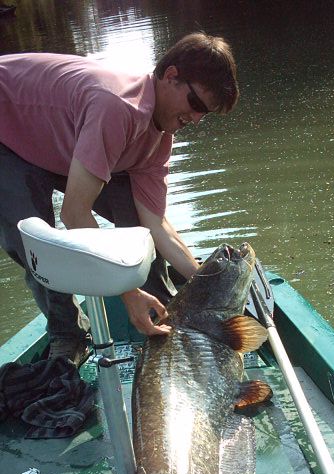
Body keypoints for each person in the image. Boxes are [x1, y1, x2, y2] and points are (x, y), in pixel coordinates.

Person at [0, 32, 239, 365]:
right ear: (171, 76)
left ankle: (161, 312)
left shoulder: (160, 137)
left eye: (205, 114)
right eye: (196, 104)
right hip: (6, 134)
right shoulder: (117, 107)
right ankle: (69, 335)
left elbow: (155, 223)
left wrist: (205, 284)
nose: (196, 119)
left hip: (58, 140)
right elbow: (75, 214)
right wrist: (127, 293)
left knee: (135, 215)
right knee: (35, 243)